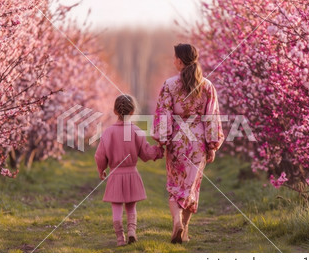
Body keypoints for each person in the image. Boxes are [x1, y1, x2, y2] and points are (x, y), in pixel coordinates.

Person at [153, 43, 225, 244]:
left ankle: (177, 222)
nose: (172, 61)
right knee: (192, 187)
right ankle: (184, 231)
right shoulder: (207, 86)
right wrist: (212, 145)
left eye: (174, 57)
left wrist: (162, 140)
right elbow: (211, 117)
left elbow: (163, 114)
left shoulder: (169, 85)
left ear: (180, 61)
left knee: (175, 185)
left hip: (177, 141)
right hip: (198, 142)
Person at [95, 94, 164, 246]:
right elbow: (146, 153)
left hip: (115, 174)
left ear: (114, 111)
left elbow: (100, 155)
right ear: (133, 112)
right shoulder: (136, 131)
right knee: (131, 207)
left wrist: (101, 169)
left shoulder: (108, 132)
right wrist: (159, 151)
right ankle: (132, 232)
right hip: (132, 173)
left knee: (116, 207)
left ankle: (120, 238)